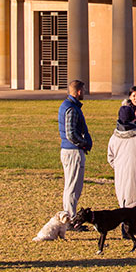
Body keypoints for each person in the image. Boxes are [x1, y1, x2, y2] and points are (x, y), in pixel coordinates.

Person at [58, 80, 92, 221]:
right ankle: (70, 219)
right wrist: (84, 143)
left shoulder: (69, 106)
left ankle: (69, 216)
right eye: (83, 90)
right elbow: (70, 134)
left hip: (69, 150)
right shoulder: (71, 108)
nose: (84, 93)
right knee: (73, 188)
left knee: (71, 186)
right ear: (78, 91)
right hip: (73, 151)